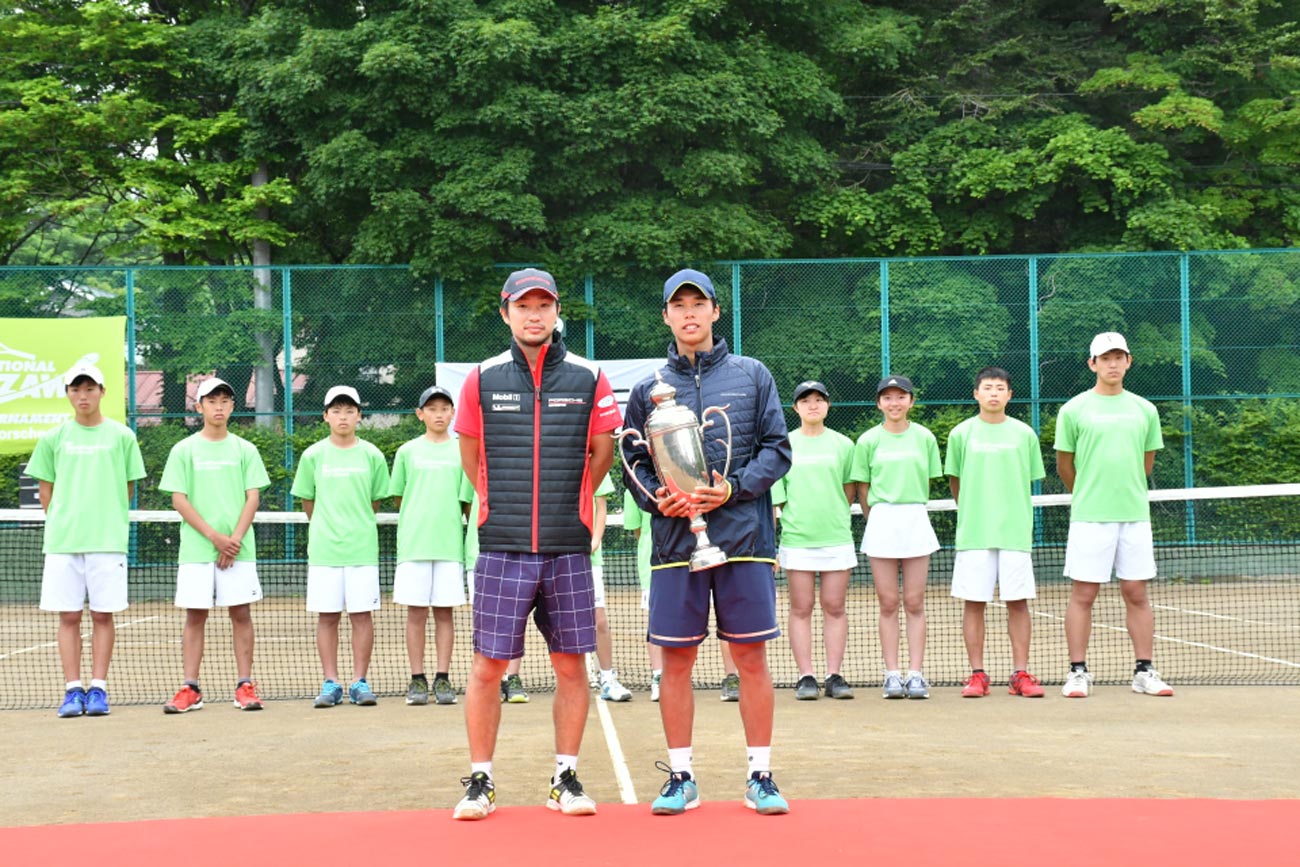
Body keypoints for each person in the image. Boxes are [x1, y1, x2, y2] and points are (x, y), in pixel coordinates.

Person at [622, 268, 793, 816]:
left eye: (700, 303)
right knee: (674, 662)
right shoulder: (648, 390)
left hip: (744, 536)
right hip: (675, 543)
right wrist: (657, 499)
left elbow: (777, 448)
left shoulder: (753, 374)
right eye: (679, 305)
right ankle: (681, 777)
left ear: (716, 312)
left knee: (750, 657)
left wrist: (734, 489)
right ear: (666, 316)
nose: (690, 313)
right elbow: (633, 462)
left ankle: (760, 776)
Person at [452, 268, 620, 820]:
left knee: (572, 666)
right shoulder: (480, 379)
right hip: (500, 548)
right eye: (523, 306)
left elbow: (601, 454)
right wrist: (495, 504)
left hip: (568, 548)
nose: (534, 314)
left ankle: (564, 777)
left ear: (556, 312)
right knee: (486, 668)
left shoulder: (589, 378)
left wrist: (573, 508)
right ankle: (481, 781)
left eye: (543, 305)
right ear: (506, 313)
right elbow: (472, 455)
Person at [1056, 332, 1171, 698]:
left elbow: (1145, 463)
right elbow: (1065, 464)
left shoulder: (1145, 410)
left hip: (1134, 515)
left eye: (1119, 356)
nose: (1113, 363)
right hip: (1090, 516)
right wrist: (1089, 495)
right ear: (1092, 363)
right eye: (1105, 358)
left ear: (1129, 361)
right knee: (1083, 594)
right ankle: (1077, 672)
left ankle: (1144, 670)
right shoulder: (1073, 410)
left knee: (1136, 592)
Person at [29, 363, 146, 718]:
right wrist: (66, 521)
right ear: (68, 394)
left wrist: (103, 518)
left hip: (107, 542)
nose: (83, 396)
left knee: (101, 615)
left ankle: (98, 689)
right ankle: (71, 691)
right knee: (68, 616)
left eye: (89, 388)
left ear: (102, 392)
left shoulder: (121, 436)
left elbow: (128, 486)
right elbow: (45, 490)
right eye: (76, 389)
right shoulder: (53, 438)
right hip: (63, 542)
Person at [158, 377, 271, 713]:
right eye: (212, 401)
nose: (219, 406)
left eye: (225, 400)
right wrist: (214, 537)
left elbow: (253, 496)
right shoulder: (183, 450)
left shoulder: (245, 450)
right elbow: (179, 499)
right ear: (199, 406)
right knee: (195, 616)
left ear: (233, 406)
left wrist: (233, 539)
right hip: (196, 550)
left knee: (241, 614)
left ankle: (244, 685)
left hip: (239, 550)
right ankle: (190, 688)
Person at [945, 367, 1047, 699]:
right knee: (974, 604)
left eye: (999, 388)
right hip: (974, 533)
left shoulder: (1024, 434)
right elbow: (955, 481)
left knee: (1018, 603)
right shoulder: (961, 434)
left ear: (1009, 395)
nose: (993, 393)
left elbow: (1030, 478)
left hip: (1015, 532)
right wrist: (974, 511)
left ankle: (1020, 674)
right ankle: (977, 674)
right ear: (976, 394)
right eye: (987, 387)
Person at [290, 385, 390, 708]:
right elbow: (309, 501)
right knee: (328, 617)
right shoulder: (312, 455)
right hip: (324, 551)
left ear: (359, 415)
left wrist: (355, 525)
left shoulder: (372, 455)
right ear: (325, 416)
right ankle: (331, 682)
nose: (343, 416)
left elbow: (374, 502)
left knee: (362, 617)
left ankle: (360, 681)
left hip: (362, 550)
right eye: (336, 410)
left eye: (349, 410)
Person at [852, 375, 943, 700]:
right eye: (888, 398)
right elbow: (862, 486)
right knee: (888, 603)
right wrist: (874, 517)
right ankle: (892, 674)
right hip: (882, 521)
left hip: (915, 518)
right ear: (879, 403)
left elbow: (930, 480)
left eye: (900, 397)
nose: (894, 403)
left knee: (915, 602)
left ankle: (916, 674)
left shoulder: (925, 437)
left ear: (910, 402)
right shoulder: (867, 441)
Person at [390, 385, 475, 706]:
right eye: (432, 409)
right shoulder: (407, 452)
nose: (439, 414)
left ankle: (442, 678)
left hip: (450, 547)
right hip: (414, 546)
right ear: (420, 414)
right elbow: (400, 497)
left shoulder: (461, 450)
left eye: (444, 408)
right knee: (415, 614)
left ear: (453, 413)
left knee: (444, 614)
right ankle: (417, 679)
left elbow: (466, 502)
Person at [770, 380, 855, 701]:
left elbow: (848, 489)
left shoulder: (844, 445)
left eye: (820, 399)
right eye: (806, 401)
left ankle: (834, 675)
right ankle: (805, 676)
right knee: (801, 608)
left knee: (834, 607)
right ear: (796, 408)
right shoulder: (784, 445)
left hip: (836, 539)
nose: (813, 405)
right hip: (797, 541)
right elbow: (778, 499)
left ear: (828, 406)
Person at [591, 474, 632, 701]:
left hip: (588, 558)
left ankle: (607, 678)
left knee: (600, 621)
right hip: (555, 553)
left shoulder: (594, 461)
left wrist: (594, 542)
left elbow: (601, 508)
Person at [622, 489, 663, 700]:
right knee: (655, 623)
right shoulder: (634, 487)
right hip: (651, 566)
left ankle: (677, 676)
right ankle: (658, 675)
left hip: (685, 562)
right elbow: (637, 529)